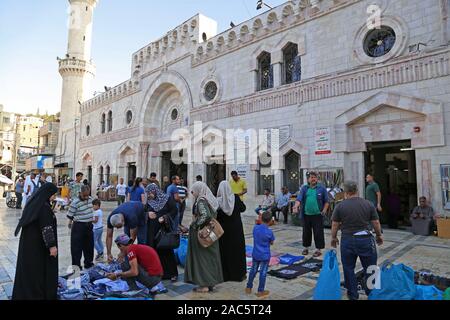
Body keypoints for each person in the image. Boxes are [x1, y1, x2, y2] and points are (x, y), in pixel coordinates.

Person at [331, 181, 383, 301]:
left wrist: (333, 238)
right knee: (371, 267)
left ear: (346, 192)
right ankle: (372, 293)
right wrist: (379, 235)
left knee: (348, 268)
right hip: (365, 239)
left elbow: (335, 224)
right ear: (357, 191)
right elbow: (375, 222)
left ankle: (353, 294)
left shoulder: (340, 206)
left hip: (347, 240)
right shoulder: (368, 204)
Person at [12, 183, 59, 300]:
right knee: (38, 273)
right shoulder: (44, 207)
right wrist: (52, 246)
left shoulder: (35, 204)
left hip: (29, 247)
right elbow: (46, 227)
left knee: (29, 273)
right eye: (53, 195)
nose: (54, 197)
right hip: (38, 248)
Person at [184, 182, 223, 293]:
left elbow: (206, 215)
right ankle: (211, 283)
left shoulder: (201, 201)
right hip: (211, 234)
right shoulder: (210, 200)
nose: (192, 192)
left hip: (202, 235)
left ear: (199, 190)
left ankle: (203, 286)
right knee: (210, 259)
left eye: (194, 190)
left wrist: (195, 225)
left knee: (201, 259)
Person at [146, 183, 179, 282]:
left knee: (166, 251)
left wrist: (165, 217)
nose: (149, 195)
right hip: (152, 231)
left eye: (150, 193)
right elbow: (144, 211)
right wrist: (147, 214)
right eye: (148, 193)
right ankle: (158, 273)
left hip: (164, 230)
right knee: (154, 252)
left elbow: (174, 211)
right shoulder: (149, 201)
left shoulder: (167, 199)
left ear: (155, 190)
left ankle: (172, 273)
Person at [216, 181, 247, 282]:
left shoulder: (217, 201)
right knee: (237, 252)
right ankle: (239, 275)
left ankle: (225, 276)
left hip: (223, 232)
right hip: (236, 230)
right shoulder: (235, 198)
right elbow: (243, 208)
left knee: (224, 252)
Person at [293, 172, 329, 257]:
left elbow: (327, 201)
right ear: (308, 179)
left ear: (317, 179)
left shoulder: (321, 188)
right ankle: (306, 248)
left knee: (318, 232)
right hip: (306, 215)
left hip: (317, 215)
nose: (313, 179)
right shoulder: (304, 188)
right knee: (306, 232)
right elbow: (299, 199)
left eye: (315, 177)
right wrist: (295, 206)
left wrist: (324, 211)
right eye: (311, 177)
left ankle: (318, 249)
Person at [245, 211, 275, 298]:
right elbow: (272, 242)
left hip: (256, 253)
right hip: (265, 255)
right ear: (270, 221)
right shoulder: (269, 232)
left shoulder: (255, 228)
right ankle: (260, 290)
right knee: (263, 272)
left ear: (261, 219)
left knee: (253, 270)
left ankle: (248, 287)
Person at [67, 185, 94, 270]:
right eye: (84, 195)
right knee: (76, 248)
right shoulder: (75, 202)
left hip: (89, 226)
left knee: (89, 246)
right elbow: (70, 215)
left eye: (87, 195)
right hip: (79, 226)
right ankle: (76, 266)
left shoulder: (91, 199)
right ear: (80, 193)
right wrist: (70, 223)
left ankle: (88, 263)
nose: (86, 197)